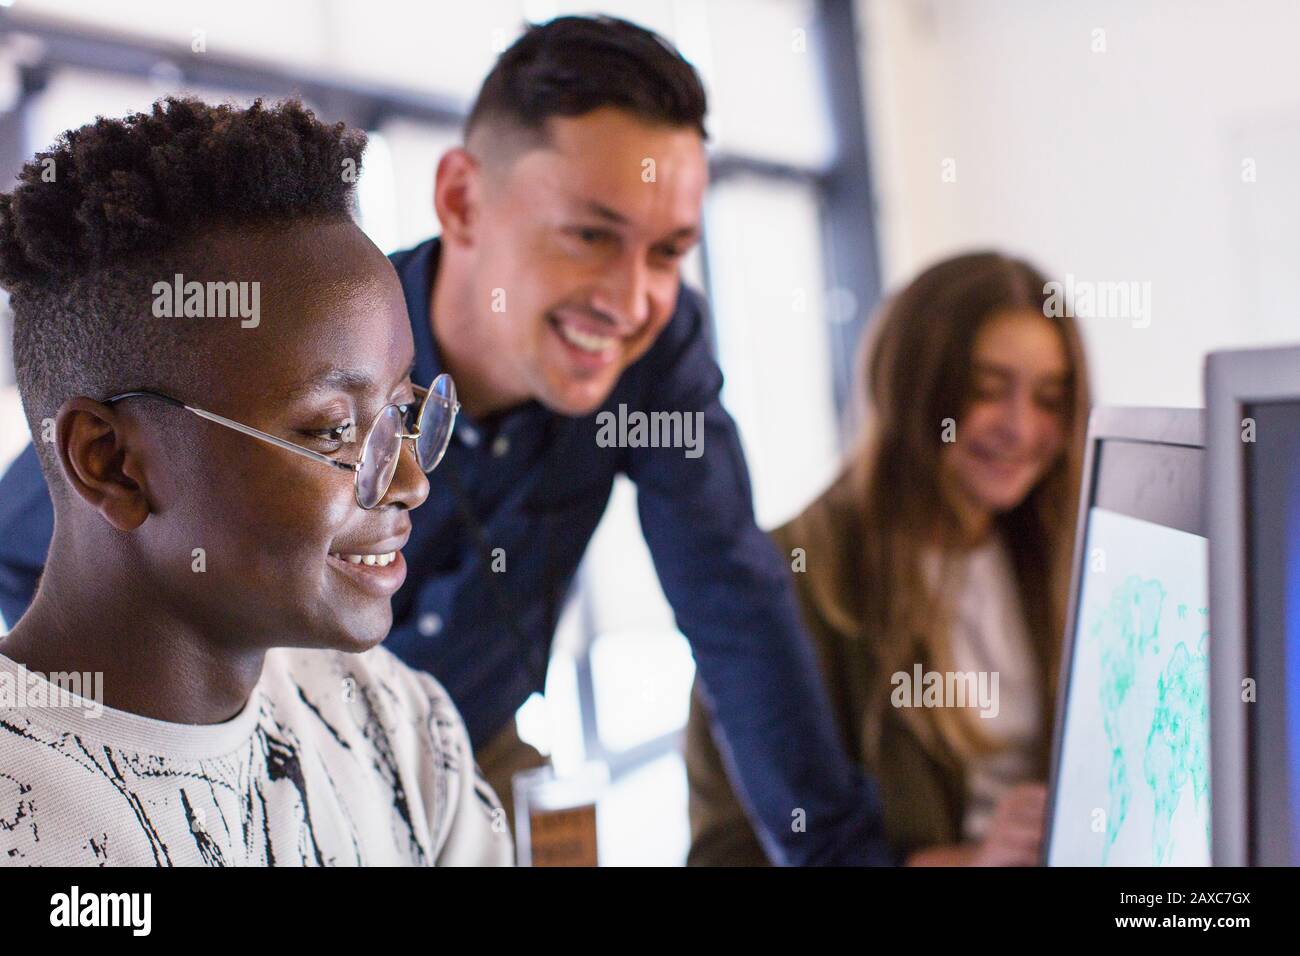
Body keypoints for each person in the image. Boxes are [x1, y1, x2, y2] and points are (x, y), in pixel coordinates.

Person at [0, 15, 891, 864]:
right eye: (590, 235)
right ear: (463, 199)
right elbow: (41, 546)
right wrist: (132, 724)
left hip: (423, 751)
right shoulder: (281, 332)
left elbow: (733, 600)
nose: (629, 300)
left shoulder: (658, 357)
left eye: (668, 253)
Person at [0, 96, 511, 866]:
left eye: (405, 413)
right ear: (111, 464)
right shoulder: (29, 813)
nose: (408, 482)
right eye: (333, 430)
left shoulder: (397, 726)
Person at [685, 252, 1091, 865]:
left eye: (1050, 398)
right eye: (986, 390)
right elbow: (729, 853)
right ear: (908, 387)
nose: (1021, 428)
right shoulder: (787, 579)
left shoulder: (1064, 552)